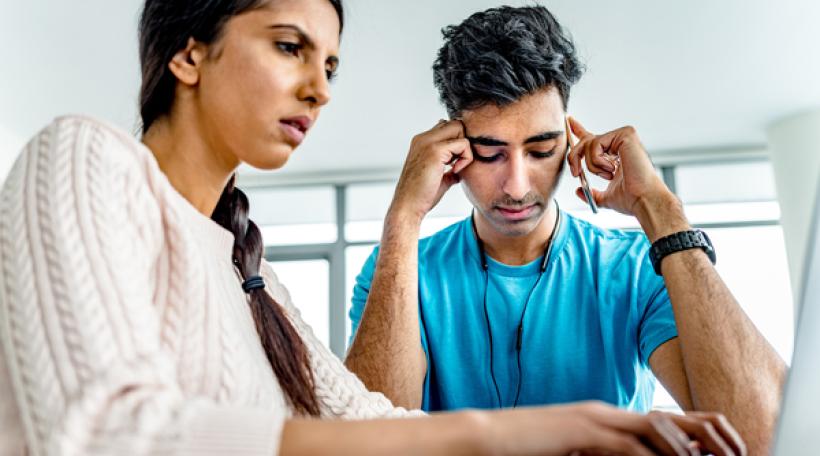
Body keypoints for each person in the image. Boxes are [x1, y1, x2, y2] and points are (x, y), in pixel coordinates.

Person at [0, 1, 746, 455]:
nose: (321, 87)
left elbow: (364, 426)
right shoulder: (83, 155)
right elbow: (100, 438)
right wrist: (516, 433)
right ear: (189, 52)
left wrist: (663, 211)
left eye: (330, 62)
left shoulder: (254, 283)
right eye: (291, 47)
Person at [344, 5, 785, 455]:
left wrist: (662, 211)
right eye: (490, 153)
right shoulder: (397, 270)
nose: (516, 187)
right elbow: (368, 443)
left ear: (570, 143)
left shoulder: (637, 269)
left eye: (541, 150)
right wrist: (403, 218)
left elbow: (763, 438)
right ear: (451, 148)